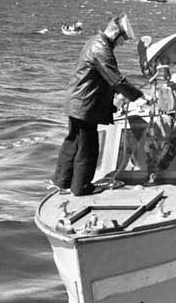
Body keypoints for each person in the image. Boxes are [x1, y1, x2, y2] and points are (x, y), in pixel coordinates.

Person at [52, 13, 149, 196]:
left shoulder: (94, 42)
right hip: (85, 104)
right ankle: (81, 187)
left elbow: (103, 79)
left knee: (73, 142)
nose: (121, 44)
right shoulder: (101, 48)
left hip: (77, 101)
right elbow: (116, 79)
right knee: (88, 146)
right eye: (122, 39)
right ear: (116, 34)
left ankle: (62, 182)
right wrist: (139, 98)